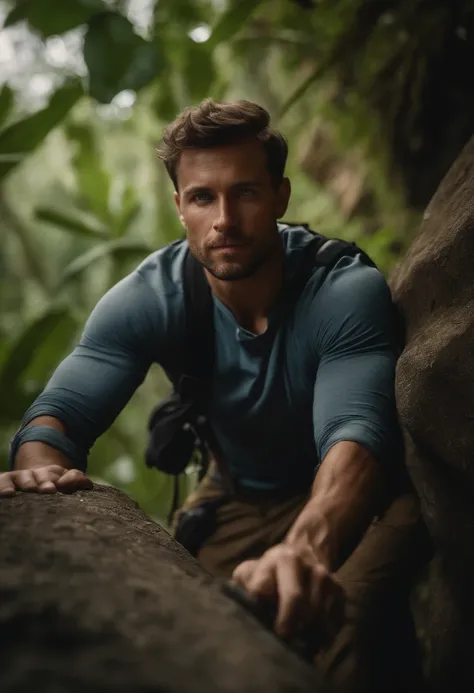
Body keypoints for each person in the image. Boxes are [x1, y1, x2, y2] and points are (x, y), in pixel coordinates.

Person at [1, 99, 429, 692]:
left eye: (246, 193)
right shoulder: (150, 296)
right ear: (180, 206)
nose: (224, 218)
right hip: (235, 496)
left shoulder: (341, 291)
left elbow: (357, 433)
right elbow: (60, 416)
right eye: (203, 197)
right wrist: (40, 470)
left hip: (356, 494)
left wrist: (305, 549)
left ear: (280, 198)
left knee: (334, 633)